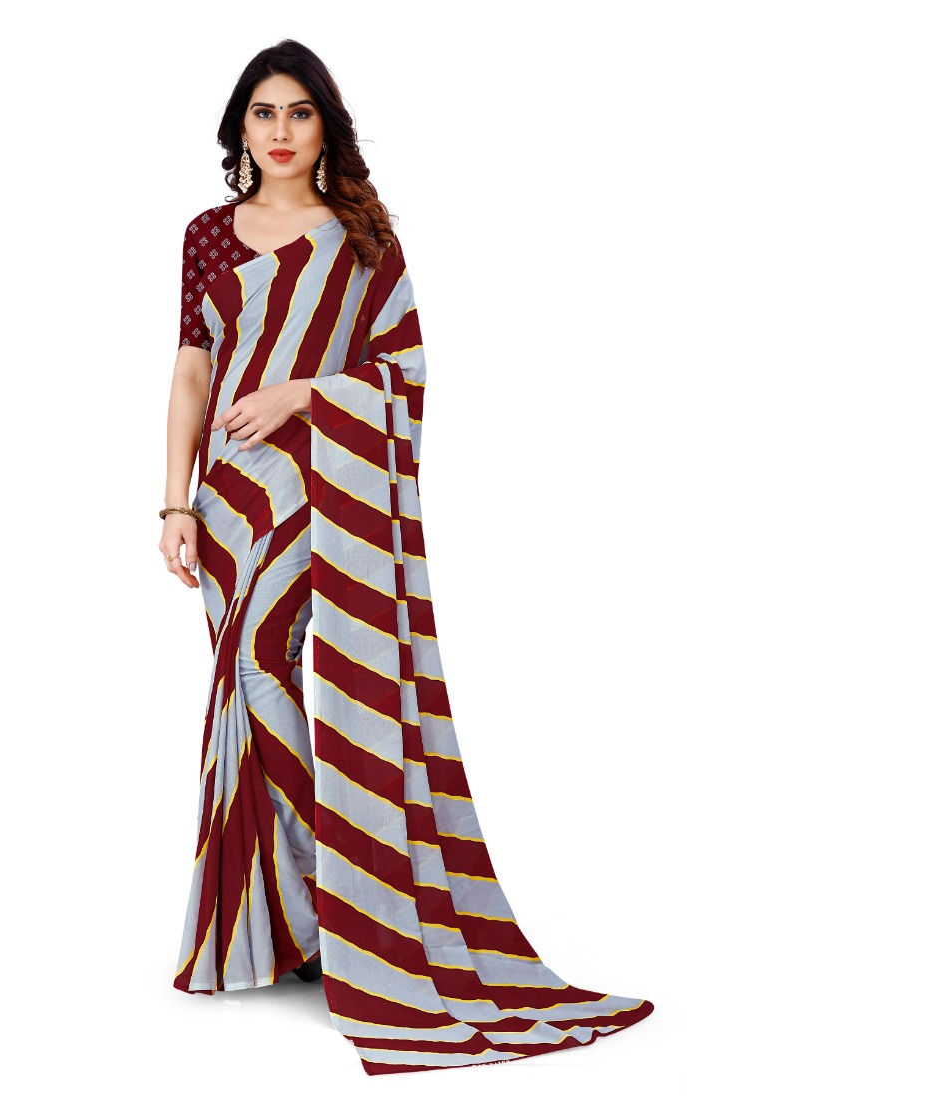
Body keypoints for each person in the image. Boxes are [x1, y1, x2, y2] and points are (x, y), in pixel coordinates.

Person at [159, 38, 655, 1076]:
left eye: (300, 112)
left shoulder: (361, 235)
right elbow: (191, 370)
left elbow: (406, 368)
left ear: (325, 127)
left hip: (319, 485)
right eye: (264, 113)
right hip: (228, 495)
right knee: (242, 683)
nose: (281, 131)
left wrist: (302, 394)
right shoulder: (207, 234)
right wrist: (173, 502)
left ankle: (353, 908)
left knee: (264, 667)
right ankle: (294, 924)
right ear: (240, 126)